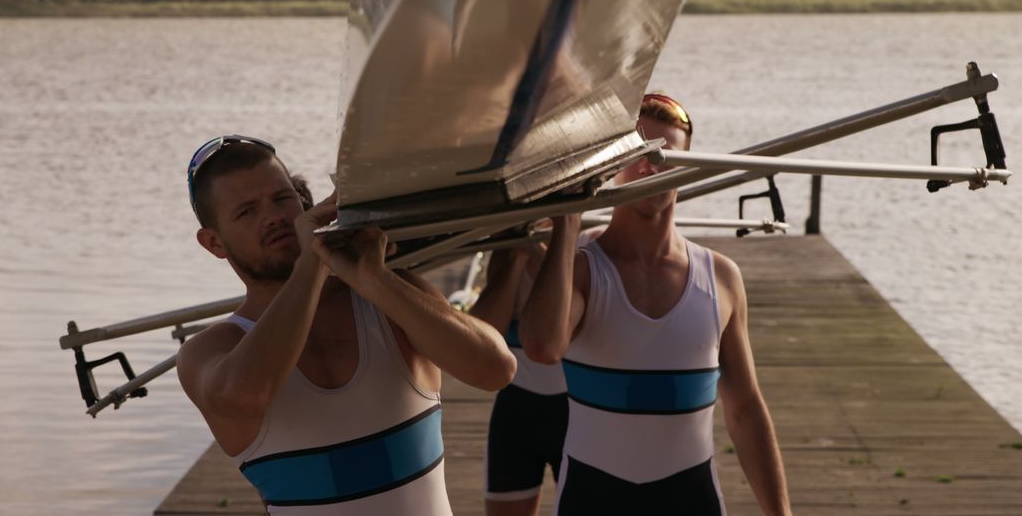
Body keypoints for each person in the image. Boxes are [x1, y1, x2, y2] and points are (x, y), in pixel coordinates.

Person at [175, 135, 517, 515]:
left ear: (302, 201)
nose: (273, 217)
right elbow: (244, 396)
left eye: (281, 198)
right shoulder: (210, 350)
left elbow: (496, 369)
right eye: (247, 212)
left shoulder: (385, 299)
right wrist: (312, 264)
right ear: (214, 243)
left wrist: (376, 278)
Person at [519, 95, 792, 515]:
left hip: (691, 497)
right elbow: (542, 346)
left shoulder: (721, 278)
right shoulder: (583, 271)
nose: (651, 167)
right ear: (611, 164)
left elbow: (745, 409)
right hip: (593, 498)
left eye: (665, 155)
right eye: (638, 153)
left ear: (687, 165)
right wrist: (567, 221)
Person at [472, 227, 601, 516]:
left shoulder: (588, 246)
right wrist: (517, 254)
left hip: (576, 412)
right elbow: (483, 334)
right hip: (517, 411)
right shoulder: (506, 249)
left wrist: (541, 248)